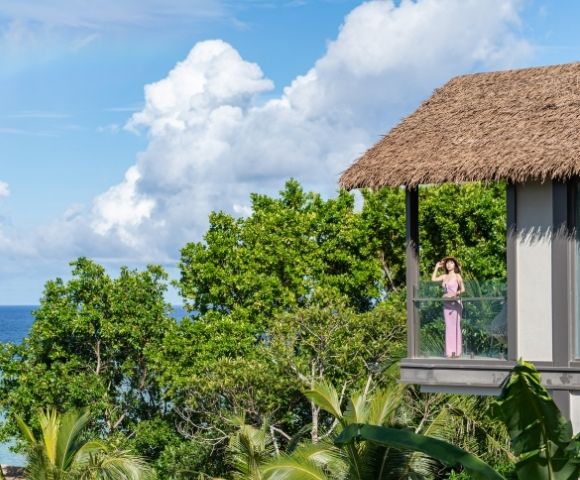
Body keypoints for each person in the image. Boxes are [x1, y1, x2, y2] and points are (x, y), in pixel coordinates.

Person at [432, 257, 465, 358]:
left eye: (451, 263)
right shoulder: (444, 276)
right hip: (446, 304)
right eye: (447, 263)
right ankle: (449, 352)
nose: (449, 264)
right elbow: (433, 279)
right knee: (448, 327)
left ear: (454, 265)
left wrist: (453, 294)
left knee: (455, 327)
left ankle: (457, 352)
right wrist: (437, 267)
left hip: (455, 304)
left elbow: (463, 289)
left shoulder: (457, 276)